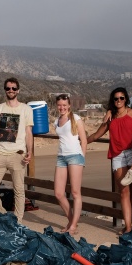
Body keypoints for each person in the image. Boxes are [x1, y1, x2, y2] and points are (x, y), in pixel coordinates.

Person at [87, 87, 132, 234]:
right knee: (124, 191)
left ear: (126, 99)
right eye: (116, 98)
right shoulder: (110, 118)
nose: (119, 101)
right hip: (118, 156)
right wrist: (81, 142)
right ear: (113, 100)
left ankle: (130, 223)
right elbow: (96, 135)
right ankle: (128, 227)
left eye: (121, 98)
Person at [0, 77, 34, 223]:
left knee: (19, 191)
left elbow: (29, 132)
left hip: (17, 155)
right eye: (8, 88)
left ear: (18, 90)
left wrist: (29, 151)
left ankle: (18, 220)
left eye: (13, 88)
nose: (11, 90)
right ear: (5, 90)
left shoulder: (26, 109)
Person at [52, 94, 87, 234]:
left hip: (75, 157)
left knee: (75, 192)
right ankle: (72, 221)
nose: (62, 107)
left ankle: (73, 226)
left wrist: (82, 159)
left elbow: (83, 141)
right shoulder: (56, 121)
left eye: (64, 105)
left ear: (69, 105)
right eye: (59, 105)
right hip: (61, 157)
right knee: (59, 193)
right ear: (57, 105)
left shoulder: (76, 119)